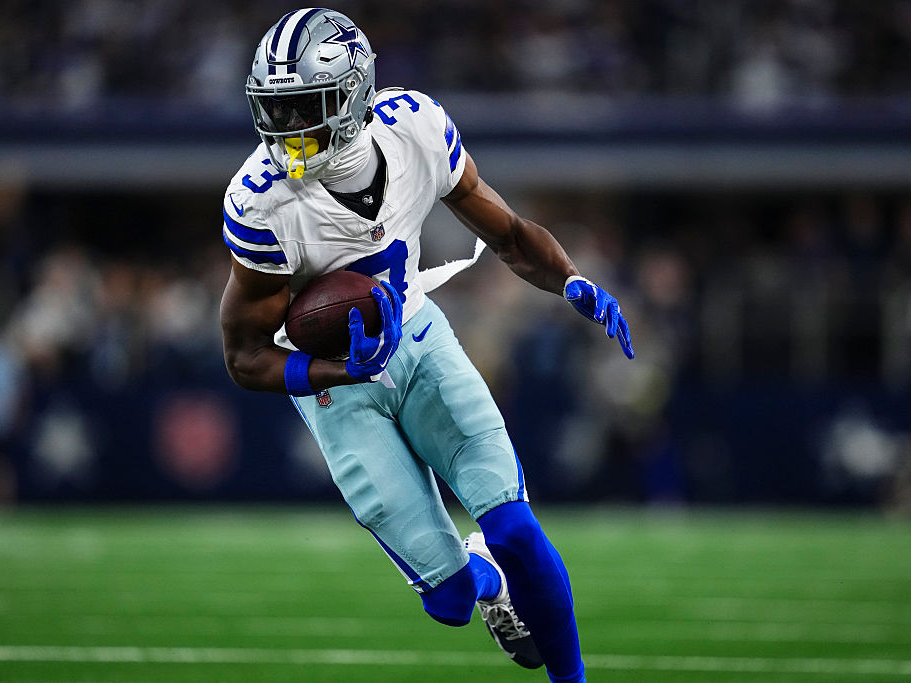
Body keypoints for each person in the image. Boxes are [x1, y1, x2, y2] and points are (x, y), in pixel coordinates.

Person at [219, 9, 634, 683]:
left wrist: (571, 279)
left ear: (353, 95)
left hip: (418, 336)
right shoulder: (264, 202)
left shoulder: (414, 127)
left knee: (518, 531)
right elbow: (243, 356)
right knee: (451, 600)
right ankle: (482, 580)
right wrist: (334, 366)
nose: (287, 128)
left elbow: (505, 230)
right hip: (336, 390)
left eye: (304, 106)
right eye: (277, 109)